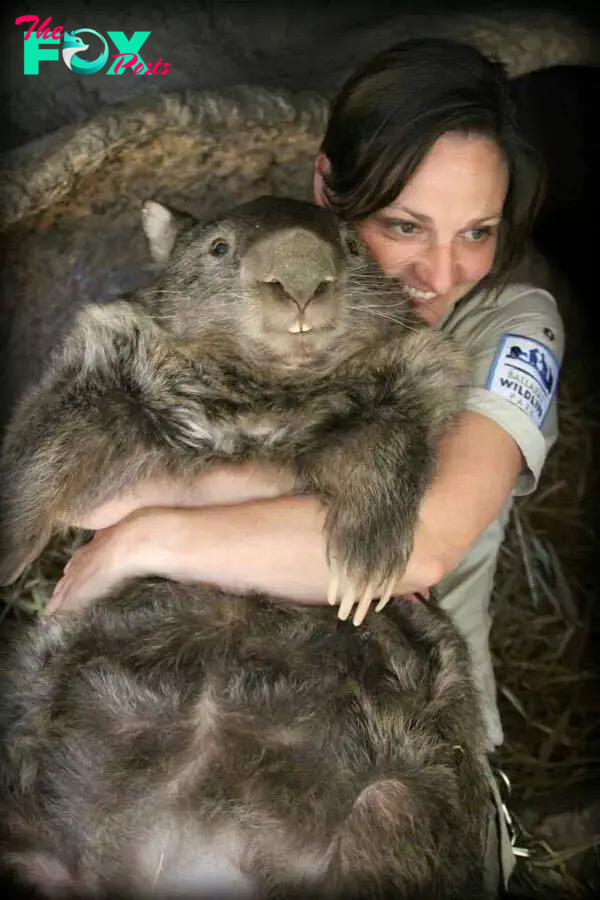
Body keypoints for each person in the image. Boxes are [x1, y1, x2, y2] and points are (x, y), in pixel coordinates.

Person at [46, 37, 564, 887]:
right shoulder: (240, 277)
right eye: (403, 227)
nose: (441, 274)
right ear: (328, 190)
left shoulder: (507, 321)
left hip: (394, 719)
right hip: (171, 705)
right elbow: (81, 482)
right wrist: (331, 497)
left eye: (477, 232)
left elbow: (420, 543)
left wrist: (148, 537)